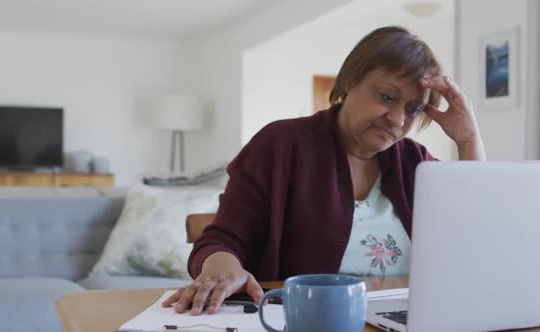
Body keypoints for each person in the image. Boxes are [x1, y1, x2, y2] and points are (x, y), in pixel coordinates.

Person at [162, 26, 486, 315]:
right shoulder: (281, 144)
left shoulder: (414, 162)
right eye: (387, 97)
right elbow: (223, 239)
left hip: (403, 318)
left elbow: (475, 236)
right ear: (350, 81)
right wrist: (223, 269)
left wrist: (468, 139)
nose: (398, 120)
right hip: (309, 320)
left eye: (413, 109)